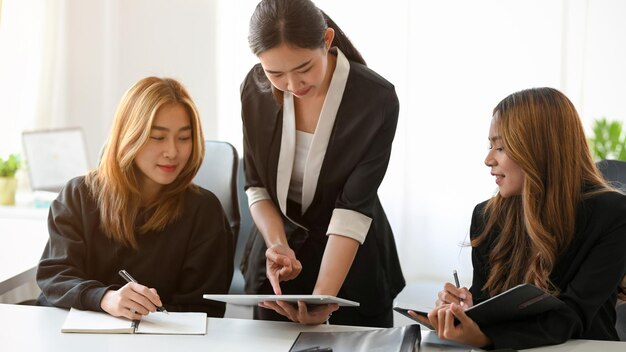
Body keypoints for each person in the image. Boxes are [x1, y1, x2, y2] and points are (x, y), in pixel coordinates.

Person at [411, 87, 626, 349]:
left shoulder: (613, 213)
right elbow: (489, 303)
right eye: (490, 146)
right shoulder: (486, 216)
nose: (488, 159)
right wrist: (466, 310)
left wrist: (483, 337)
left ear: (540, 149)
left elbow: (573, 315)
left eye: (501, 147)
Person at [239, 0, 405, 327]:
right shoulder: (254, 89)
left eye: (303, 68)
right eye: (275, 73)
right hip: (280, 268)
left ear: (327, 40)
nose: (292, 84)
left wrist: (323, 297)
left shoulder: (376, 99)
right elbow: (256, 186)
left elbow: (353, 208)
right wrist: (277, 245)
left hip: (353, 263)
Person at [36, 77, 234, 319]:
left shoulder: (204, 211)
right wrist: (105, 298)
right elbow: (55, 276)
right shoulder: (79, 194)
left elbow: (204, 308)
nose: (172, 152)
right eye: (157, 137)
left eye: (184, 138)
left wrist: (140, 313)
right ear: (129, 136)